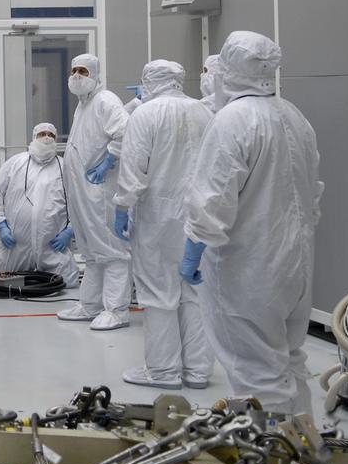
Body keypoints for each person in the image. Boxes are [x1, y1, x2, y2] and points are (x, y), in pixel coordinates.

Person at [180, 31, 323, 414]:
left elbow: (213, 197)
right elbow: (314, 193)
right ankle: (305, 455)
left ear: (228, 70)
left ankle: (270, 463)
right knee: (290, 360)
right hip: (296, 267)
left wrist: (193, 250)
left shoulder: (233, 120)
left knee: (258, 375)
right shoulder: (294, 116)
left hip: (250, 272)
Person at [113, 60, 213, 390]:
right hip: (198, 218)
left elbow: (133, 167)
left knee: (158, 293)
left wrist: (122, 206)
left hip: (158, 217)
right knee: (195, 293)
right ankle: (198, 371)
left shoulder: (145, 114)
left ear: (149, 81)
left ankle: (163, 371)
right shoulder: (203, 112)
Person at [56, 54, 132, 331]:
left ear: (96, 75)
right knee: (90, 251)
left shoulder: (105, 100)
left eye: (83, 71)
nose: (77, 76)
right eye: (74, 70)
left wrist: (108, 161)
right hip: (83, 192)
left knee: (111, 250)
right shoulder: (84, 105)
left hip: (100, 191)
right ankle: (90, 305)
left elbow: (125, 132)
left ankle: (117, 310)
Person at [0, 123, 78, 287]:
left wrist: (71, 231)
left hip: (52, 244)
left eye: (51, 135)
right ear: (34, 138)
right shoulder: (16, 163)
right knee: (3, 284)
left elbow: (78, 202)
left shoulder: (65, 167)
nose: (47, 138)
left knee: (68, 284)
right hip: (17, 243)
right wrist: (1, 224)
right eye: (42, 134)